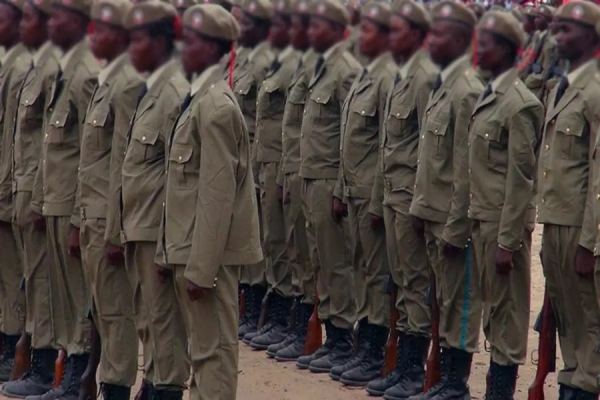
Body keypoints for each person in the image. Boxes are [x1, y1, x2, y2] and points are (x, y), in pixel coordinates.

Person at [159, 5, 262, 399]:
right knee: (201, 351)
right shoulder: (197, 98)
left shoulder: (215, 107)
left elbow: (217, 196)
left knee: (213, 354)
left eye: (192, 41)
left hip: (208, 257)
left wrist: (201, 269)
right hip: (189, 248)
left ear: (215, 48)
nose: (182, 47)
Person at [407, 2, 484, 399]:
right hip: (432, 214)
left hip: (453, 221)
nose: (429, 41)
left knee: (460, 305)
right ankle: (441, 379)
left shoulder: (466, 91)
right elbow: (430, 161)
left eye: (437, 35)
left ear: (455, 40)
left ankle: (456, 384)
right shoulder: (443, 85)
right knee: (441, 300)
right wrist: (421, 209)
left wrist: (456, 226)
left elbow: (467, 171)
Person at [469, 11, 543, 400]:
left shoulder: (519, 104)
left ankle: (500, 394)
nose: (479, 47)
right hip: (482, 220)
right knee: (491, 312)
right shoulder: (490, 93)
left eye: (488, 41)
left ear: (509, 49)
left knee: (508, 316)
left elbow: (521, 180)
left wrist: (508, 240)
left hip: (502, 227)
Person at [366, 1, 437, 398]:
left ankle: (413, 370)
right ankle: (403, 365)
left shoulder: (424, 78)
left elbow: (430, 148)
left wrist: (422, 205)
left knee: (414, 282)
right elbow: (387, 145)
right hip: (392, 194)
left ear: (417, 33)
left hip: (411, 197)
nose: (390, 37)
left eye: (398, 31)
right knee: (401, 280)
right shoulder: (401, 75)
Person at [31, 0, 101, 397]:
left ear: (76, 21)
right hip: (55, 199)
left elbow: (94, 151)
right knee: (63, 294)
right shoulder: (65, 67)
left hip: (74, 203)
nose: (49, 24)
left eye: (56, 16)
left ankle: (79, 378)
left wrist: (78, 217)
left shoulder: (85, 73)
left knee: (78, 297)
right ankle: (67, 371)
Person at [121, 2, 189, 399]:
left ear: (162, 42)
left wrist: (168, 243)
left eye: (140, 38)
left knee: (165, 324)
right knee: (149, 318)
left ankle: (166, 390)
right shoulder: (153, 87)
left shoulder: (174, 93)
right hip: (140, 222)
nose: (131, 46)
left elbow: (177, 177)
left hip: (157, 230)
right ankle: (153, 384)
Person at [76, 0, 145, 398]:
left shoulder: (127, 83)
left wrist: (118, 230)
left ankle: (116, 387)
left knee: (117, 312)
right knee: (102, 309)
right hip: (92, 213)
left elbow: (123, 161)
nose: (94, 36)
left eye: (101, 29)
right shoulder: (107, 78)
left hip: (109, 219)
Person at [331, 0, 395, 388]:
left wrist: (375, 200)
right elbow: (348, 140)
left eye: (368, 29)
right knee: (361, 268)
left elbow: (388, 147)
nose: (359, 35)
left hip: (372, 194)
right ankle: (362, 345)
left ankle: (374, 353)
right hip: (352, 190)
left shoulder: (387, 78)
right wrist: (341, 188)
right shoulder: (366, 74)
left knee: (376, 275)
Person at [538, 2, 600, 399]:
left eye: (567, 31)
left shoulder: (595, 90)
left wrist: (589, 241)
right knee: (564, 311)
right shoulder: (562, 84)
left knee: (589, 316)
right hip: (556, 217)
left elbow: (598, 174)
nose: (558, 37)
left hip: (581, 224)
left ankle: (585, 385)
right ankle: (571, 377)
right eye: (556, 29)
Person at [295, 0, 360, 374]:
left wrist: (340, 187)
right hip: (310, 176)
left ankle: (340, 338)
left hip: (327, 179)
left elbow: (347, 136)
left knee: (337, 263)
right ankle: (331, 334)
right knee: (320, 260)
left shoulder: (345, 70)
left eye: (317, 26)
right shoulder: (320, 66)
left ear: (336, 30)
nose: (310, 32)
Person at [1, 0, 60, 396]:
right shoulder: (22, 65)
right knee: (14, 277)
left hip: (31, 193)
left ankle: (33, 358)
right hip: (15, 187)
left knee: (31, 279)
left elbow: (46, 146)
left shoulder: (34, 66)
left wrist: (23, 194)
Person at [249, 0, 299, 352]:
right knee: (268, 240)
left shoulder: (292, 64)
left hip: (284, 167)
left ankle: (285, 320)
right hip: (262, 163)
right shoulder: (267, 60)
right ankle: (266, 313)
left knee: (284, 244)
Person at [270, 0, 317, 363]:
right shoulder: (303, 67)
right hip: (292, 170)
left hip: (320, 177)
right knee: (289, 247)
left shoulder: (332, 69)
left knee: (318, 258)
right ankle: (292, 323)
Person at [234, 0, 274, 343]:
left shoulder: (263, 62)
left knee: (261, 236)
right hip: (239, 159)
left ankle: (261, 310)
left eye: (244, 20)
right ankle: (246, 306)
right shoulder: (241, 58)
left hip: (257, 160)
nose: (238, 24)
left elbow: (264, 121)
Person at [0, 0, 30, 381]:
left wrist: (7, 188)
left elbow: (15, 138)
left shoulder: (21, 66)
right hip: (7, 184)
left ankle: (14, 347)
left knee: (17, 275)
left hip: (12, 188)